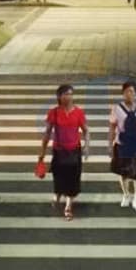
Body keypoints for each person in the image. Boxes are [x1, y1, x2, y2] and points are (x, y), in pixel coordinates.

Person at [39, 84, 90, 221]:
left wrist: (86, 146)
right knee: (59, 176)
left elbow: (86, 130)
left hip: (74, 151)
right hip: (59, 151)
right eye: (65, 94)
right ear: (59, 97)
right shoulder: (53, 113)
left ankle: (68, 206)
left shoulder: (79, 112)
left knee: (73, 179)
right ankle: (57, 194)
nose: (69, 97)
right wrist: (42, 152)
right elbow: (47, 133)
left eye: (71, 94)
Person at [109, 80, 136, 213]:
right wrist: (109, 145)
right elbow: (112, 127)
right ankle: (126, 194)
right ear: (123, 93)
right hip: (122, 145)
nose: (129, 94)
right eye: (127, 91)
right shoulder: (116, 109)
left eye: (132, 91)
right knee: (123, 173)